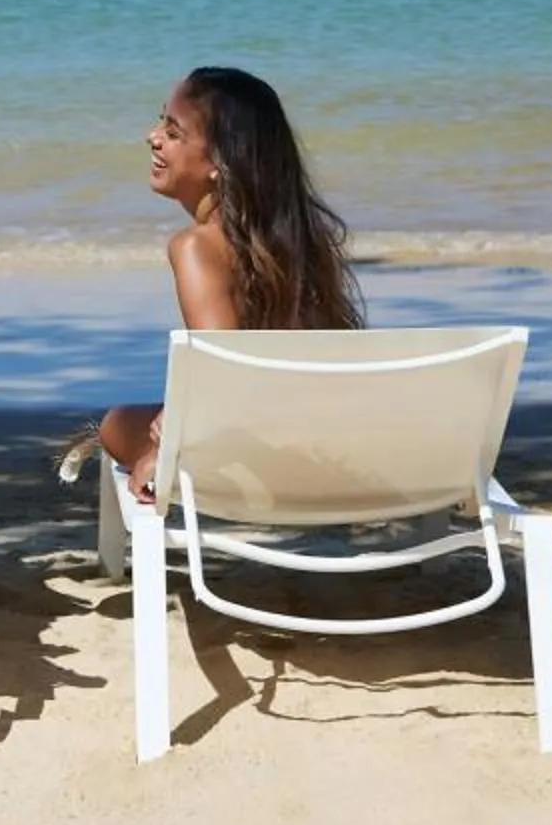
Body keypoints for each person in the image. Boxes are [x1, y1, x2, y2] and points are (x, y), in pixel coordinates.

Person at [96, 66, 363, 501]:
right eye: (161, 120)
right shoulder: (303, 241)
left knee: (116, 423)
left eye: (173, 131)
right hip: (322, 445)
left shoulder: (197, 248)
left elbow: (225, 381)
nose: (152, 136)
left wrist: (166, 446)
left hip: (260, 464)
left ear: (221, 163)